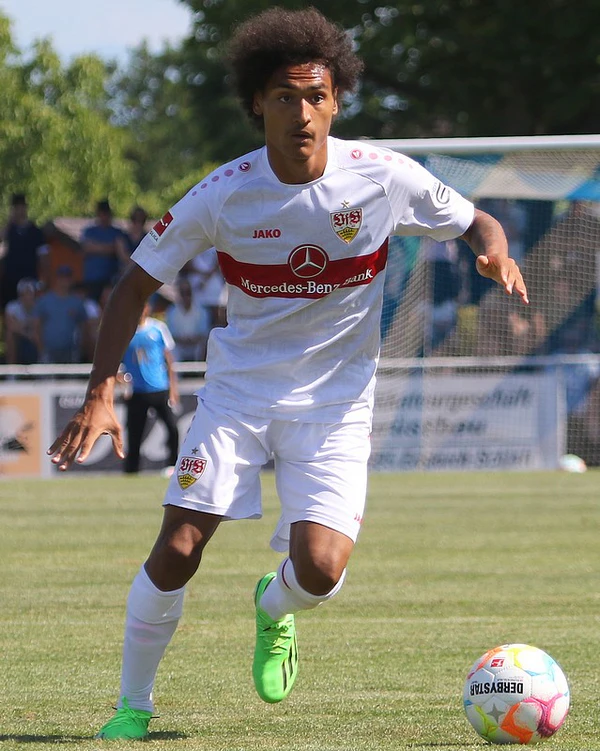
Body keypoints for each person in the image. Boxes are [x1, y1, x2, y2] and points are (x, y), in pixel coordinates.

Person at [47, 7, 528, 741]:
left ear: (336, 102)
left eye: (315, 96)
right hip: (239, 396)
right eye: (283, 97)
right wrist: (98, 391)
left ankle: (273, 607)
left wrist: (493, 251)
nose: (301, 112)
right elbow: (134, 283)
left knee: (323, 570)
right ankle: (132, 707)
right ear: (257, 104)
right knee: (178, 546)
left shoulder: (384, 177)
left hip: (336, 404)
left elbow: (474, 221)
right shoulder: (224, 193)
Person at [121, 301, 180, 474]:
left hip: (159, 388)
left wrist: (173, 389)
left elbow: (169, 360)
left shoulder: (158, 328)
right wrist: (123, 384)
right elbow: (118, 362)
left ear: (147, 309)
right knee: (134, 434)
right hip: (137, 391)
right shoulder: (126, 330)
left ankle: (173, 465)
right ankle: (132, 471)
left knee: (172, 428)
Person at [0, 194, 46, 312]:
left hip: (29, 279)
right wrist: (9, 223)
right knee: (8, 310)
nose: (19, 210)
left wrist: (45, 279)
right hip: (9, 280)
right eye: (16, 207)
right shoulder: (8, 230)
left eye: (22, 207)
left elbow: (43, 257)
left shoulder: (36, 232)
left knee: (30, 311)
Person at [33, 265, 87, 364]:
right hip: (48, 352)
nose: (64, 280)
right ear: (56, 279)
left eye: (67, 277)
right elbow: (36, 327)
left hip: (71, 352)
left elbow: (83, 327)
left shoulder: (77, 302)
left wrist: (80, 348)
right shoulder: (44, 301)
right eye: (62, 277)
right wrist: (41, 350)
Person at [81, 199, 127, 301]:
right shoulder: (89, 231)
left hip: (110, 279)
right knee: (91, 306)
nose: (104, 217)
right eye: (102, 213)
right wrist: (107, 247)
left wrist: (97, 247)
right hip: (92, 278)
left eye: (106, 214)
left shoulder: (116, 232)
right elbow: (86, 247)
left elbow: (117, 249)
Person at [165, 277, 211, 361]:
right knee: (172, 349)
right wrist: (182, 341)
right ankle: (175, 370)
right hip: (179, 345)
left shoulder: (201, 311)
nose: (186, 296)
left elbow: (204, 332)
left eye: (188, 293)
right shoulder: (171, 311)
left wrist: (193, 340)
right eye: (183, 293)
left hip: (196, 345)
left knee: (203, 346)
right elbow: (170, 334)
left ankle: (200, 369)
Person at [4, 277, 39, 365]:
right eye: (26, 293)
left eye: (30, 292)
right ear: (20, 294)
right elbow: (11, 326)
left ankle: (43, 363)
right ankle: (11, 367)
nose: (28, 296)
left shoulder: (39, 306)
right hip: (22, 336)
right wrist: (28, 334)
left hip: (36, 335)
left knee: (39, 334)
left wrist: (23, 325)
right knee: (10, 335)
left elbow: (39, 325)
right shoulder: (12, 307)